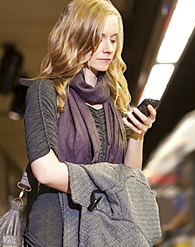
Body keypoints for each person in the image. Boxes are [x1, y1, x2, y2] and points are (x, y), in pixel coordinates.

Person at [21, 0, 159, 245]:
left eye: (114, 40)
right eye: (99, 38)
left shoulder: (116, 98)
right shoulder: (45, 92)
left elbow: (129, 178)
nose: (108, 48)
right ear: (77, 37)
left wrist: (137, 135)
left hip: (107, 232)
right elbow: (45, 171)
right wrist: (106, 187)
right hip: (57, 232)